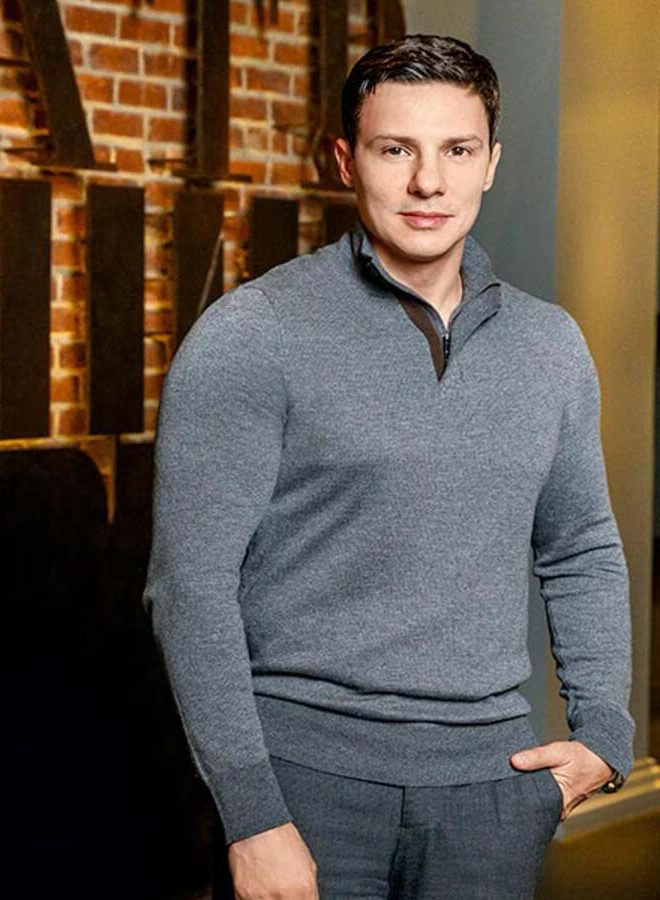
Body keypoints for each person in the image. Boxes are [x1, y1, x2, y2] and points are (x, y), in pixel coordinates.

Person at [143, 34, 633, 900]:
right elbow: (191, 587)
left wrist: (603, 733)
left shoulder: (550, 346)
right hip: (305, 790)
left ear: (491, 163)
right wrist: (252, 814)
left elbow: (581, 547)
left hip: (493, 790)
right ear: (345, 160)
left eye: (458, 150)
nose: (428, 182)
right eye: (396, 149)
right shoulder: (253, 335)